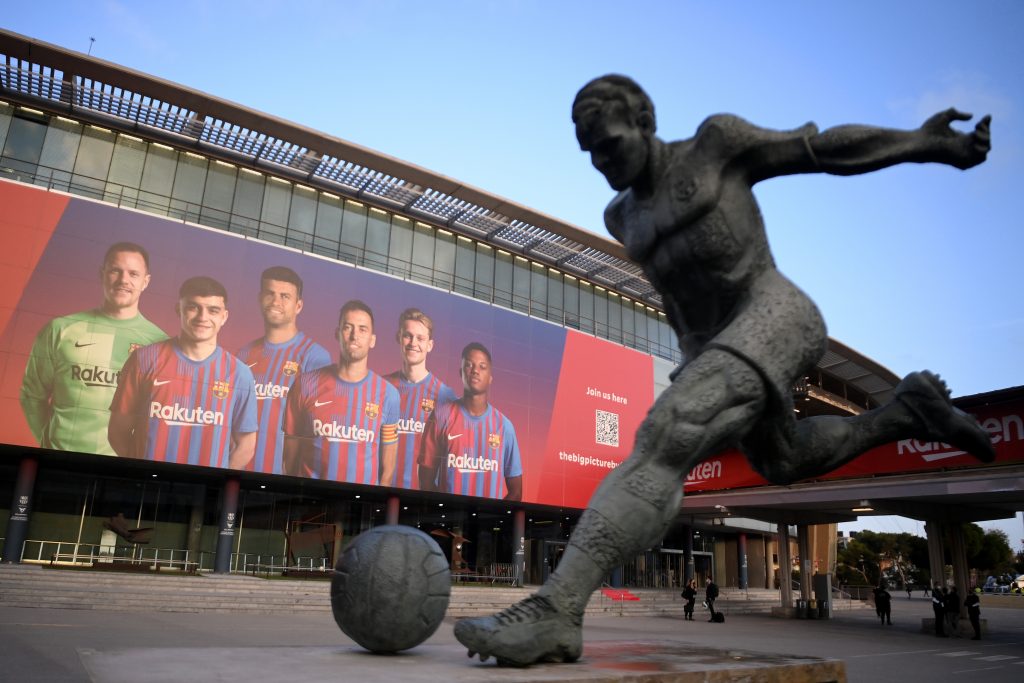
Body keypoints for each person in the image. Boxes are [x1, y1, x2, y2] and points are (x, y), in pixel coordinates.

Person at [454, 75, 995, 666]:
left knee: (663, 437)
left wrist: (923, 141)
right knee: (782, 459)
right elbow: (680, 299)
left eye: (609, 143)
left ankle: (557, 610)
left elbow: (823, 149)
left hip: (776, 315)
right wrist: (694, 362)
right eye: (591, 153)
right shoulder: (622, 216)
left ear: (643, 120)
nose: (602, 161)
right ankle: (903, 414)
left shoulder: (715, 145)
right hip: (715, 347)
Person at [20, 242, 167, 455]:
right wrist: (49, 445)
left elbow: (156, 416)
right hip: (60, 462)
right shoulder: (60, 329)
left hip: (121, 470)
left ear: (145, 282)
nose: (123, 280)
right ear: (102, 273)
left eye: (133, 274)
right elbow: (32, 395)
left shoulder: (159, 343)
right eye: (116, 270)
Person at [108, 276, 256, 468]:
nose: (203, 317)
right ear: (179, 309)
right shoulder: (144, 360)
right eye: (193, 307)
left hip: (204, 491)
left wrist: (216, 481)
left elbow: (246, 444)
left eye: (213, 310)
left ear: (224, 317)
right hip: (148, 485)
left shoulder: (239, 373)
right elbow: (118, 431)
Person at [282, 300, 399, 484]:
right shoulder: (304, 384)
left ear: (372, 340)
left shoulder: (389, 395)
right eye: (348, 327)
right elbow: (289, 460)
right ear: (337, 334)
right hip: (312, 504)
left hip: (361, 506)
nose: (354, 336)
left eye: (362, 329)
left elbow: (388, 469)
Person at [236, 266, 331, 474]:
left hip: (286, 480)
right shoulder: (243, 354)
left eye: (285, 296)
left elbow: (316, 432)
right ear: (260, 298)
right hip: (238, 471)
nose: (276, 302)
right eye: (270, 293)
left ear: (298, 306)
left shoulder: (315, 357)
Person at [418, 342, 523, 500]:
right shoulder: (440, 416)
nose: (475, 371)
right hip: (448, 520)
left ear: (490, 378)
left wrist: (494, 517)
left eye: (482, 366)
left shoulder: (504, 426)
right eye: (469, 365)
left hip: (488, 522)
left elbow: (516, 491)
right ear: (461, 372)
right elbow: (425, 481)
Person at [383, 308, 456, 488]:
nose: (413, 343)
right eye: (408, 336)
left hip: (425, 498)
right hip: (380, 492)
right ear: (398, 338)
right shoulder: (380, 387)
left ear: (430, 345)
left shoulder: (445, 396)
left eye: (420, 338)